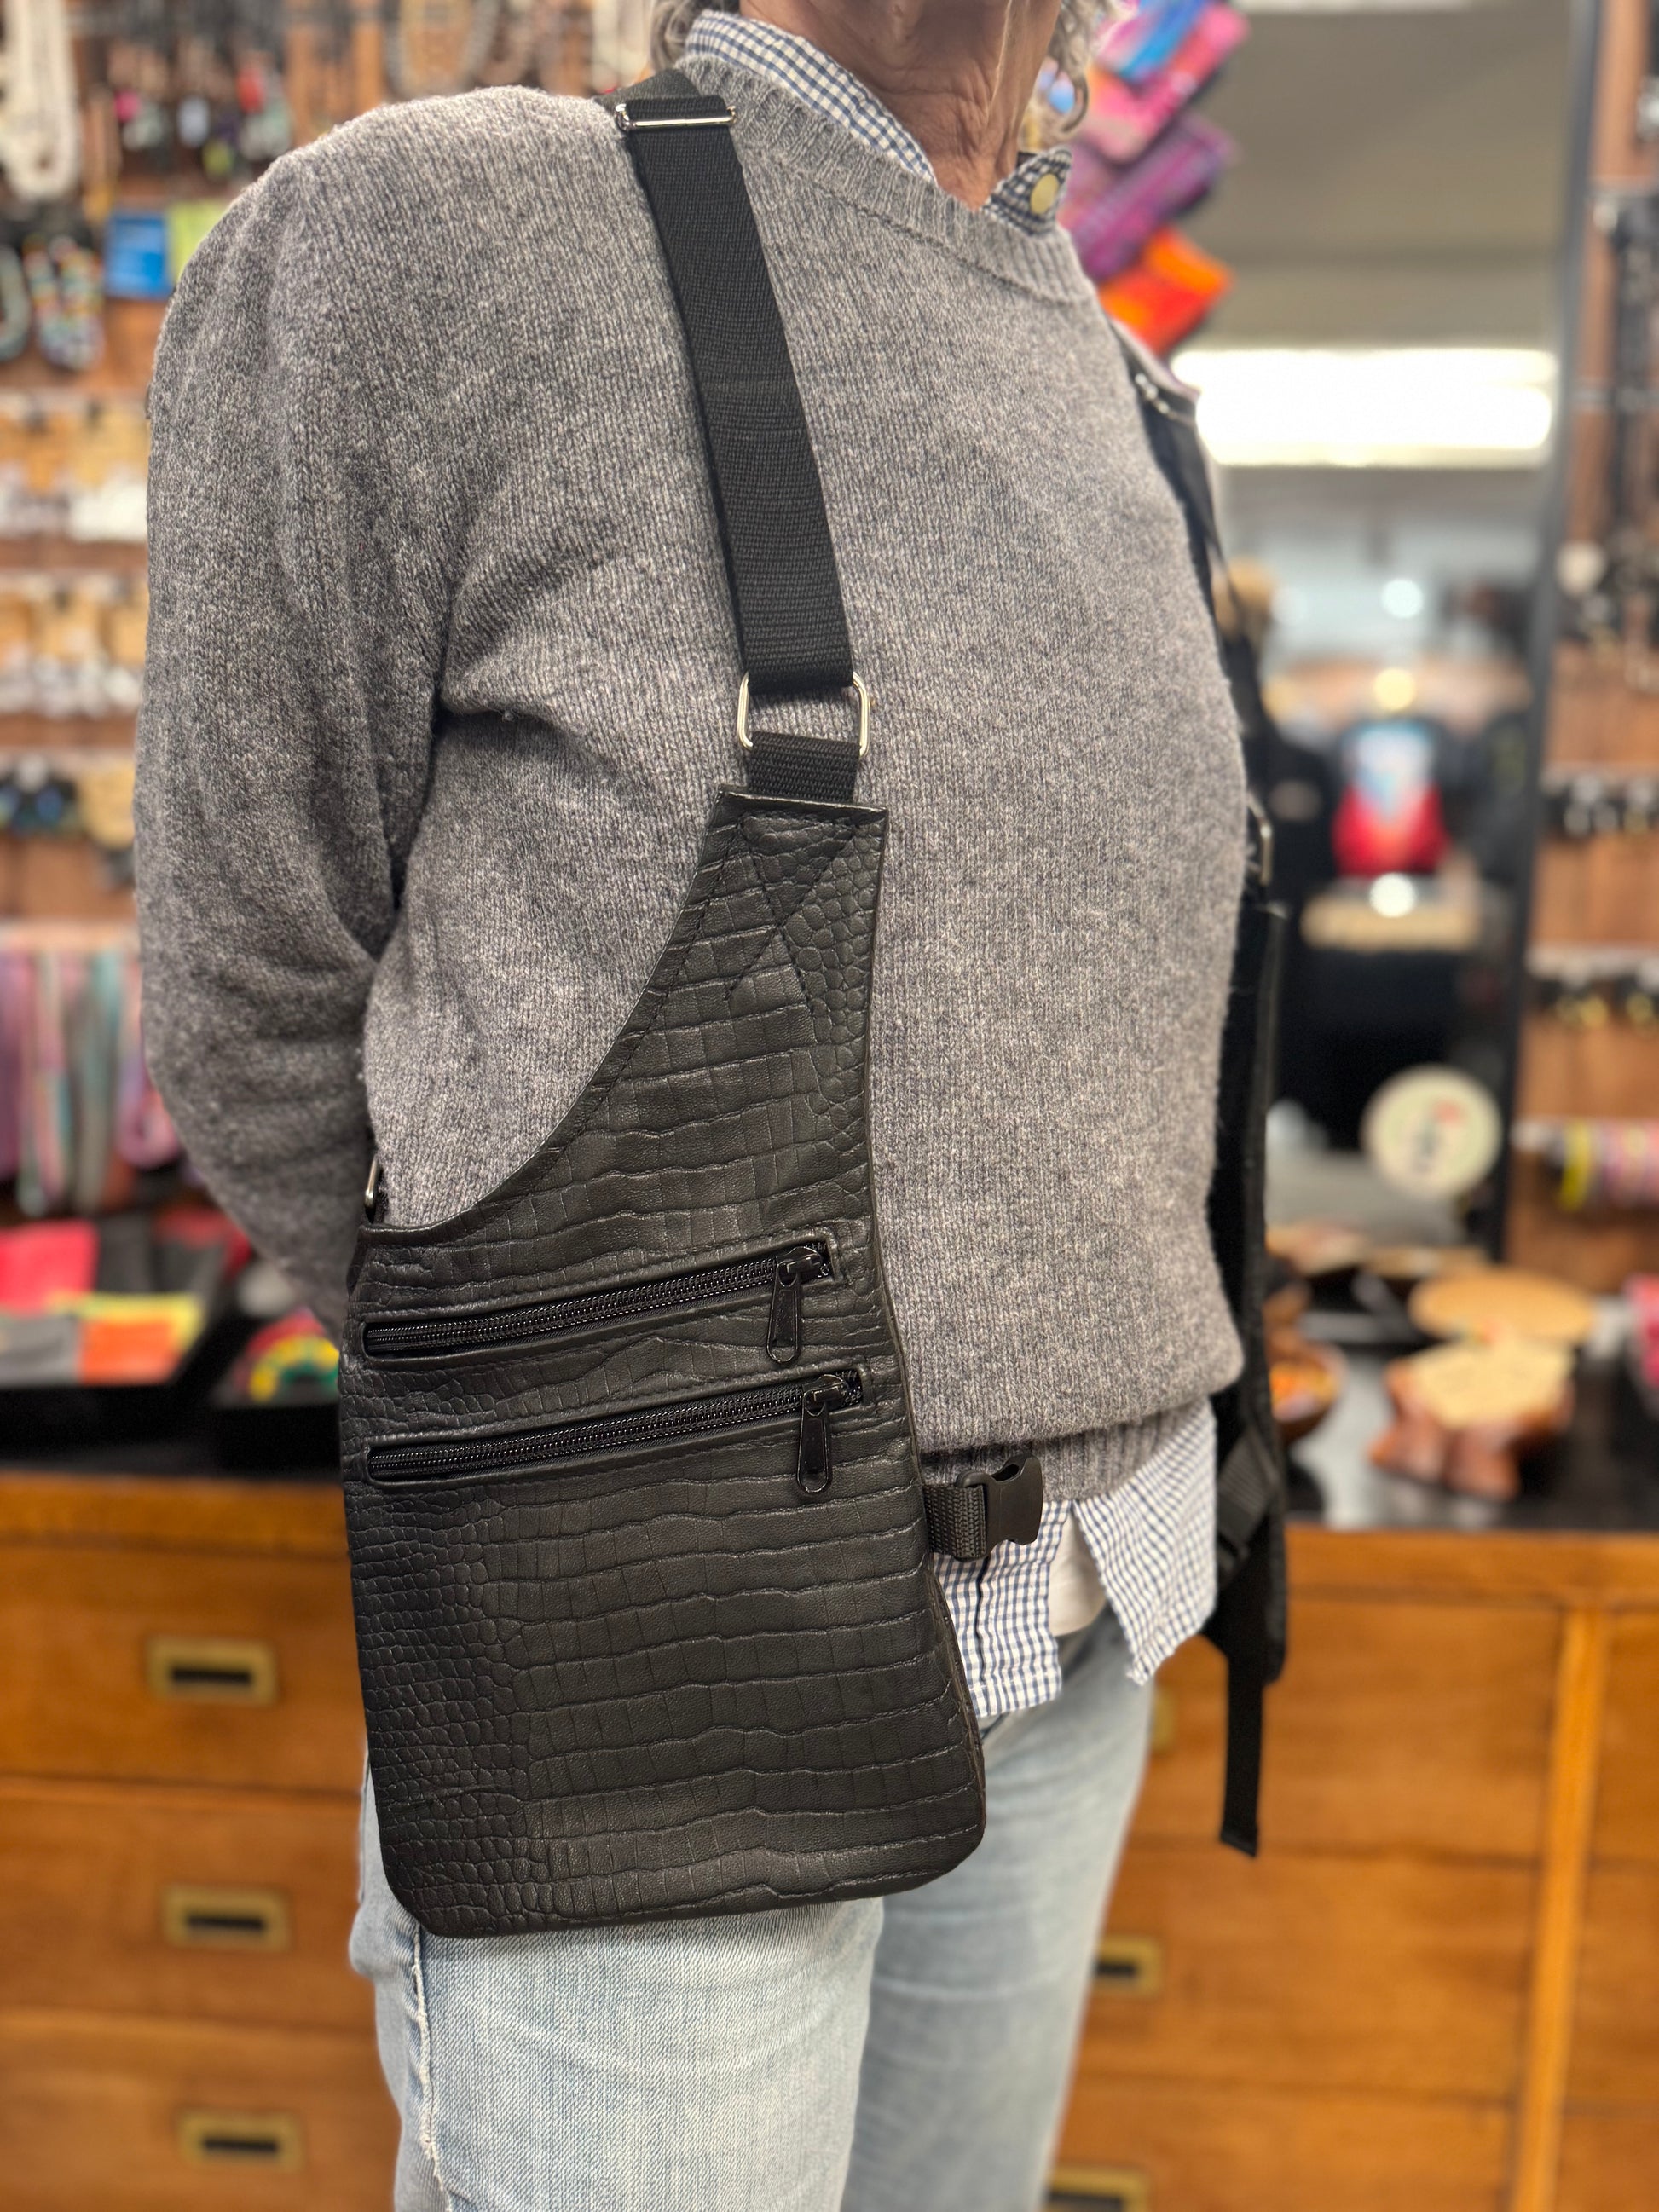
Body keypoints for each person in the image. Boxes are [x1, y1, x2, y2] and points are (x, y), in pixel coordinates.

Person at [135, 3, 1248, 2206]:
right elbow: (254, 985)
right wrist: (562, 1407)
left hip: (1093, 1604)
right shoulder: (440, 236)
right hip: (661, 1649)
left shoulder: (1113, 374)